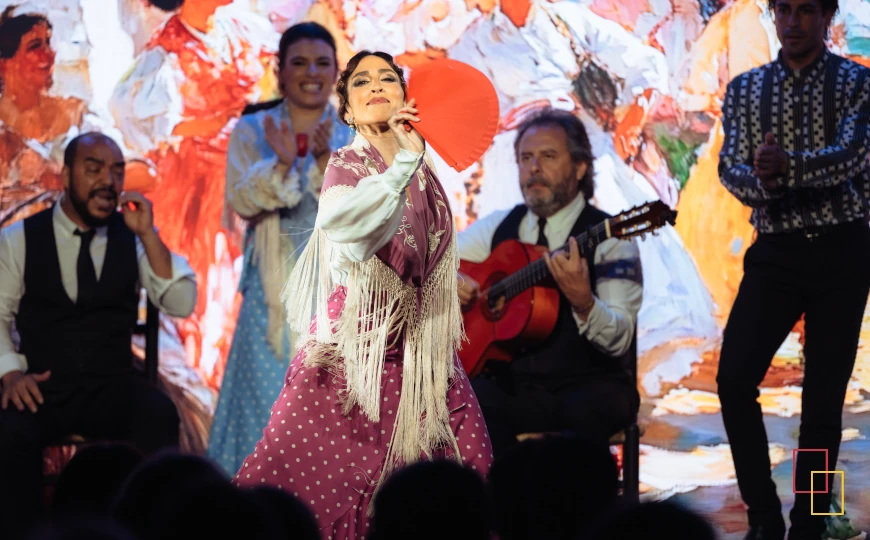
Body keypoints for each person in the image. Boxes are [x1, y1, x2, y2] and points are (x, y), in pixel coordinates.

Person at [233, 50, 493, 537]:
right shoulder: (348, 165)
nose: (377, 85)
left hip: (424, 360)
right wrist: (398, 170)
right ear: (348, 110)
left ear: (405, 97)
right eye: (361, 82)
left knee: (467, 469)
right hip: (355, 359)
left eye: (388, 79)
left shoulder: (425, 172)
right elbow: (346, 226)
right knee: (317, 493)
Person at [715, 0, 870, 537]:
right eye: (785, 9)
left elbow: (853, 156)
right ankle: (762, 514)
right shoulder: (746, 88)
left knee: (823, 402)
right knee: (733, 379)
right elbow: (729, 166)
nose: (794, 22)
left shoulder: (855, 81)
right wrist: (766, 182)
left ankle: (810, 521)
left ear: (827, 15)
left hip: (842, 250)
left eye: (807, 10)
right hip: (776, 250)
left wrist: (790, 167)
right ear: (773, 14)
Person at [0, 132, 197, 537]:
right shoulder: (18, 239)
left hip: (111, 384)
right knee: (8, 433)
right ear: (66, 175)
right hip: (45, 388)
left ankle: (151, 532)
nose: (108, 180)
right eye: (94, 169)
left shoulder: (133, 237)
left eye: (117, 171)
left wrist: (147, 234)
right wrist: (10, 373)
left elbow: (181, 302)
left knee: (158, 413)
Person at [208, 22, 354, 476]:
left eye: (322, 63)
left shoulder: (355, 135)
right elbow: (242, 201)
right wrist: (284, 163)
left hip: (338, 296)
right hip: (272, 300)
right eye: (299, 62)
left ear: (336, 73)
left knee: (333, 420)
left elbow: (367, 220)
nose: (311, 73)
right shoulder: (253, 129)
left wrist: (330, 165)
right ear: (280, 71)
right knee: (263, 414)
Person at [457, 108, 643, 459]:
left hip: (588, 384)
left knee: (588, 415)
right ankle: (502, 504)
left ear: (579, 167)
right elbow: (435, 257)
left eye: (548, 156)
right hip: (517, 387)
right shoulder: (499, 227)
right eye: (526, 158)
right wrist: (450, 279)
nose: (534, 168)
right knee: (466, 401)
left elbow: (620, 340)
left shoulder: (612, 238)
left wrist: (584, 302)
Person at [109, 0, 278, 382]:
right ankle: (204, 393)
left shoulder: (240, 28)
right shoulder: (166, 48)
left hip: (246, 175)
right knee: (206, 293)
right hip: (195, 188)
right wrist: (213, 122)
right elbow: (143, 120)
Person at [0, 6, 152, 228]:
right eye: (35, 46)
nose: (49, 54)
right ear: (4, 62)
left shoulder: (76, 114)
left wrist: (72, 184)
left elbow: (144, 174)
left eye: (48, 44)